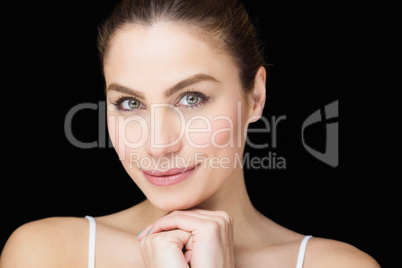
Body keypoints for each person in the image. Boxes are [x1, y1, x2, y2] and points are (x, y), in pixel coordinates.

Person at [0, 0, 379, 267]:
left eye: (191, 98)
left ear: (255, 96)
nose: (158, 144)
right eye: (129, 103)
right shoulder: (46, 254)